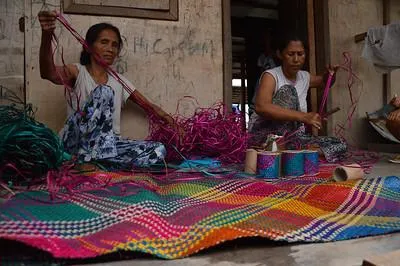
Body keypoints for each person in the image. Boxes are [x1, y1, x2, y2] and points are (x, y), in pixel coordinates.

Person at [38, 11, 171, 168]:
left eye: (114, 45)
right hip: (75, 143)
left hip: (108, 146)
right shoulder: (77, 72)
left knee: (158, 150)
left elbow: (148, 106)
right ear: (88, 47)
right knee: (104, 91)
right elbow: (48, 73)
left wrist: (173, 123)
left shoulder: (120, 81)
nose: (110, 49)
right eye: (104, 42)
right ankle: (83, 161)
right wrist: (47, 36)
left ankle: (99, 163)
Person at [248, 32, 346, 162]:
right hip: (267, 136)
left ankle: (295, 151)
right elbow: (261, 107)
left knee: (340, 144)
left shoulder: (304, 76)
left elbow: (324, 82)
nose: (296, 59)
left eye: (300, 54)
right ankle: (281, 149)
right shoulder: (271, 76)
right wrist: (304, 117)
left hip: (293, 138)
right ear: (280, 54)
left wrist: (331, 75)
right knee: (289, 92)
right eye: (291, 54)